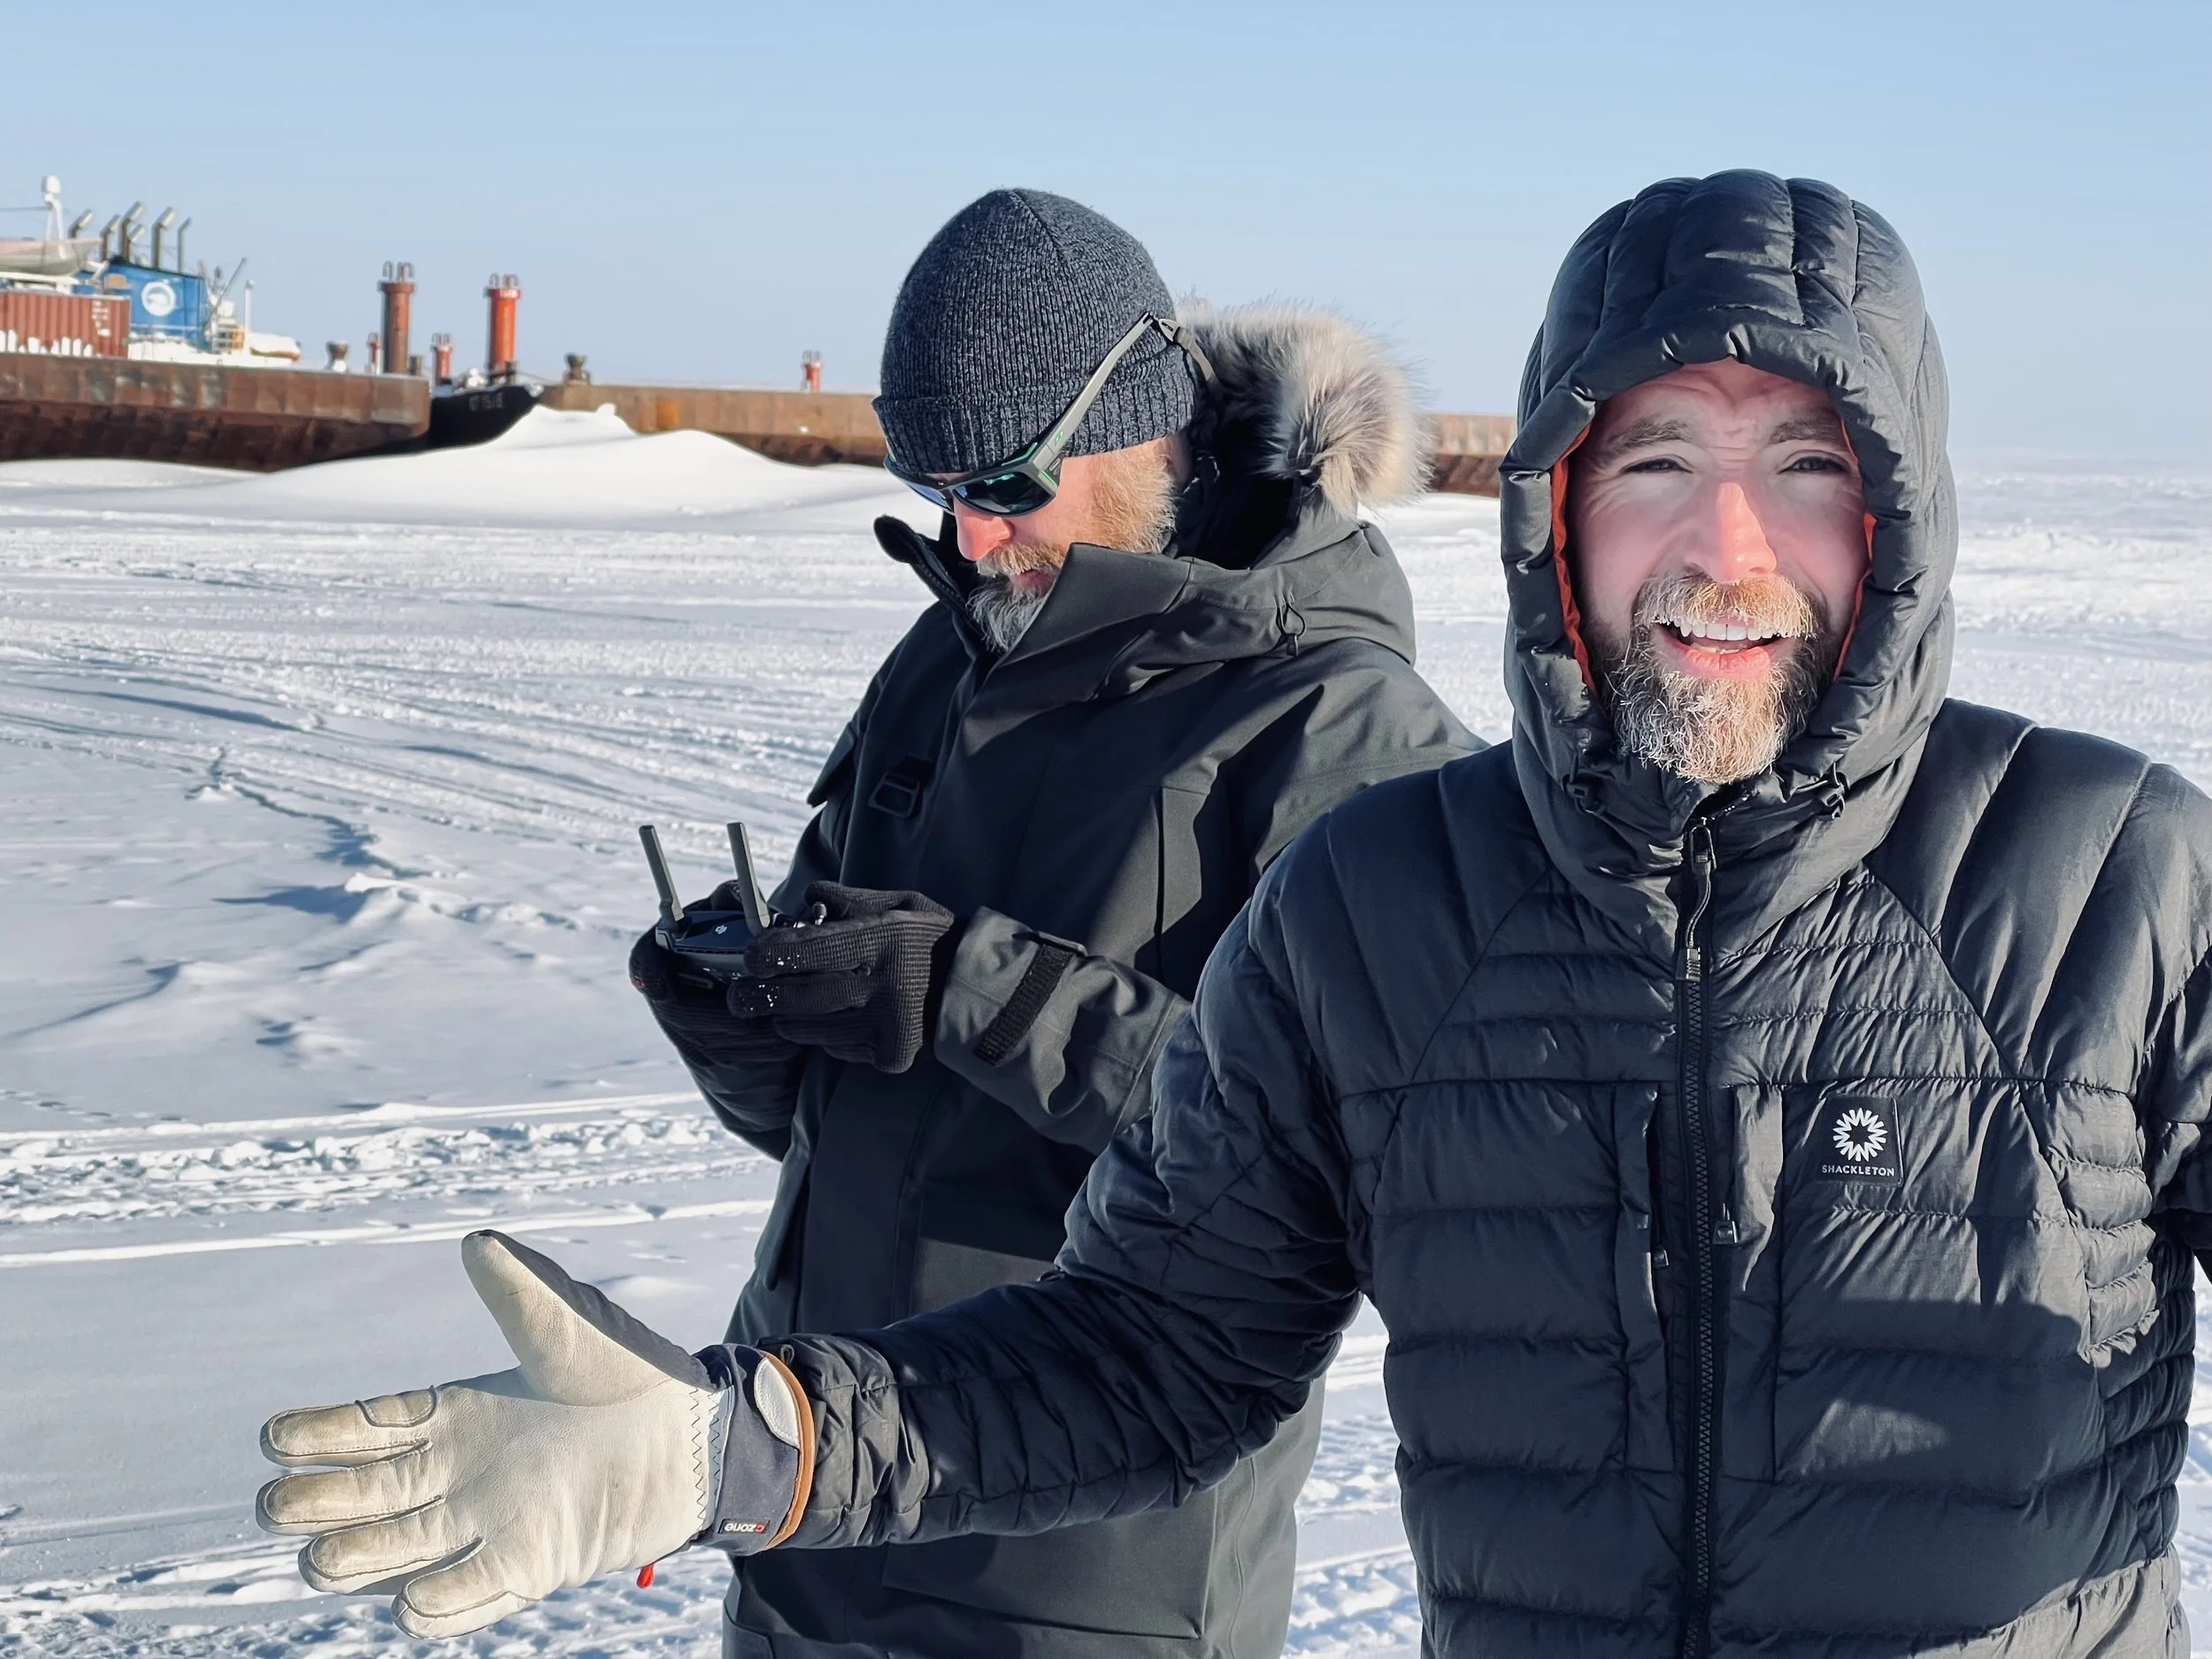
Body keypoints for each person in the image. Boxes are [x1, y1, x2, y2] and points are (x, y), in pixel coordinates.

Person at [258, 169, 2210, 1655]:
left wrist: (960, 986)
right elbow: (1155, 1344)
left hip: (1086, 1607)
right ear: (1554, 504)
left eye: (1803, 465)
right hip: (859, 1548)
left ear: (1900, 511)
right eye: (1654, 463)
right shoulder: (1399, 897)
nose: (1725, 543)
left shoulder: (2110, 879)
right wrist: (721, 1443)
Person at [254, 187, 1474, 1656]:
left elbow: (1328, 1163)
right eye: (933, 481)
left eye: (1007, 481)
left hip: (1075, 1582)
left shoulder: (1337, 725)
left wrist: (962, 984)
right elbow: (839, 1119)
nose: (969, 531)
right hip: (801, 1520)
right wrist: (754, 1017)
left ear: (1139, 418)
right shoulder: (948, 656)